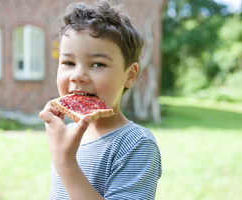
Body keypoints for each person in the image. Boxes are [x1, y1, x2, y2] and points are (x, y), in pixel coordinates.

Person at [39, 1, 162, 199]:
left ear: (129, 75)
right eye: (68, 62)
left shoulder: (137, 145)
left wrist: (65, 162)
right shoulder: (67, 134)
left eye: (97, 64)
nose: (77, 76)